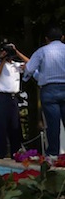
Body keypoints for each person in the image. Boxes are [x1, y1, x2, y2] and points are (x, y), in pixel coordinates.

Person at [24, 25, 65, 157]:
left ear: (47, 39)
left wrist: (25, 77)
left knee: (53, 124)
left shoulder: (42, 51)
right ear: (62, 37)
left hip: (49, 90)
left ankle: (53, 154)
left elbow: (29, 69)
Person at [0, 42, 29, 158]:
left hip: (13, 97)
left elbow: (30, 64)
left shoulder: (16, 65)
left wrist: (17, 52)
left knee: (15, 125)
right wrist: (3, 61)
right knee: (0, 125)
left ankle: (15, 152)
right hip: (1, 96)